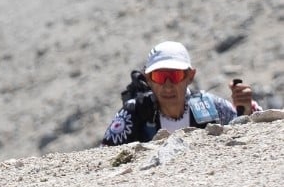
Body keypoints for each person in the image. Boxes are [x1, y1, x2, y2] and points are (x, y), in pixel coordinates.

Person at [101, 40, 260, 146]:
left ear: (190, 76)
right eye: (160, 76)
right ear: (148, 79)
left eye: (175, 75)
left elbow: (247, 132)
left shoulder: (209, 106)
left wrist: (246, 108)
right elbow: (104, 154)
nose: (168, 85)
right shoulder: (134, 112)